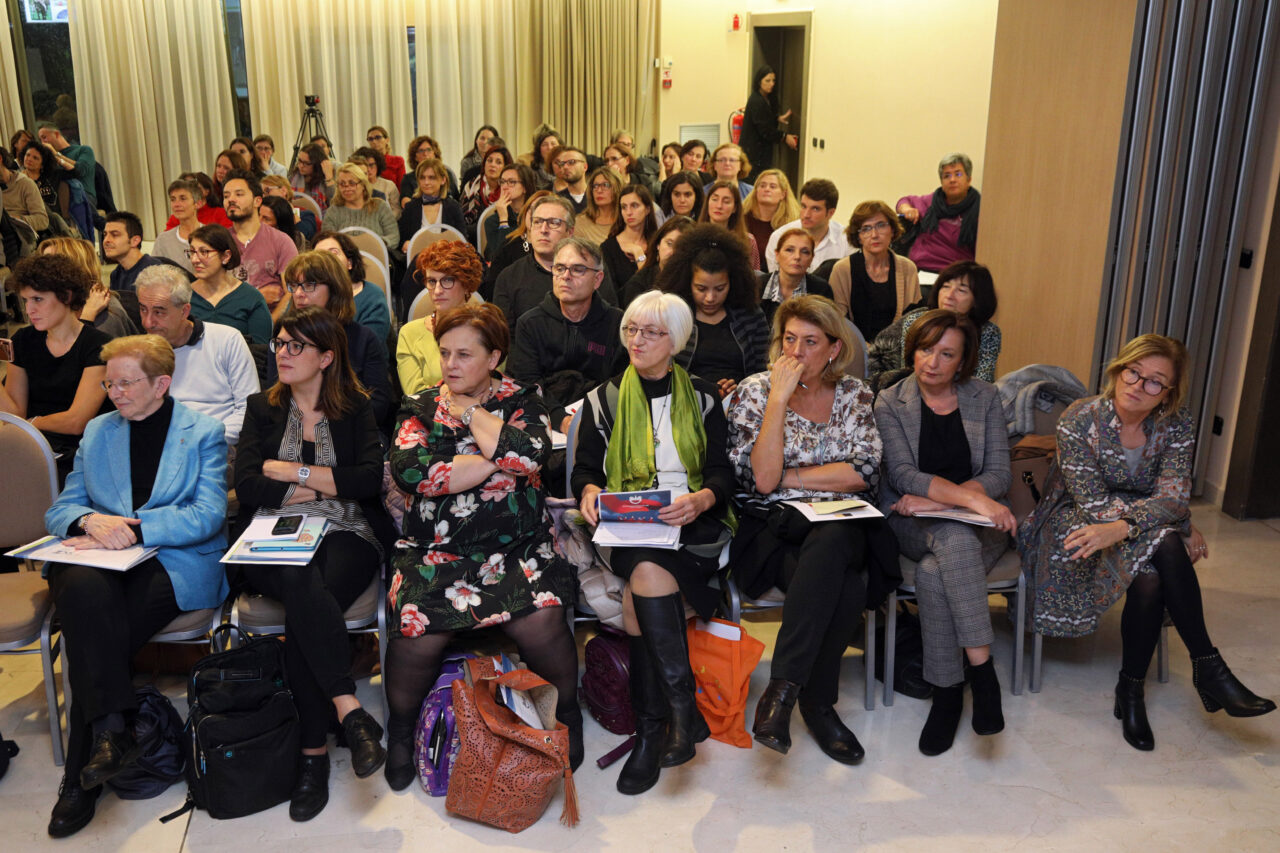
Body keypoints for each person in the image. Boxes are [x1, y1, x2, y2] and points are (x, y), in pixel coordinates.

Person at [1018, 334, 1276, 751]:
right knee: (1167, 541)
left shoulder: (1177, 423)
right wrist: (1171, 521)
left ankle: (1132, 689)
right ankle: (1207, 669)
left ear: (1168, 393)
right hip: (1071, 522)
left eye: (1155, 381)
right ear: (1118, 370)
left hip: (1131, 526)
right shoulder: (1079, 418)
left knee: (1153, 575)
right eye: (1133, 372)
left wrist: (1154, 520)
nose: (1139, 385)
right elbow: (1094, 503)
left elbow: (1174, 495)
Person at [385, 301, 582, 788]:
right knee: (418, 628)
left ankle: (568, 713)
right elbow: (415, 473)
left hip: (517, 546)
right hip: (435, 550)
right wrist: (497, 457)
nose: (450, 365)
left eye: (463, 355)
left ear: (494, 358)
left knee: (543, 617)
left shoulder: (524, 398)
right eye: (445, 353)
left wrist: (471, 416)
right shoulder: (419, 404)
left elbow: (534, 453)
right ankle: (402, 728)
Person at [42, 334, 229, 838]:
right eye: (109, 382)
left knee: (88, 636)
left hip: (172, 561)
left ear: (161, 384)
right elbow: (61, 508)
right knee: (81, 591)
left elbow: (209, 515)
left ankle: (82, 776)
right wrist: (89, 521)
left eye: (125, 383)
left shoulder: (202, 431)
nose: (114, 392)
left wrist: (134, 528)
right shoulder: (99, 431)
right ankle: (109, 735)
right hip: (98, 564)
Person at [572, 290, 736, 795]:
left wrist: (702, 499)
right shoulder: (604, 398)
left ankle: (654, 729)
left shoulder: (704, 396)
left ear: (676, 342)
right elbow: (582, 469)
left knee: (637, 599)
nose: (637, 340)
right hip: (628, 522)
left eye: (651, 332)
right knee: (645, 564)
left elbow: (722, 475)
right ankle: (679, 715)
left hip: (690, 522)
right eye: (632, 330)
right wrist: (592, 491)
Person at [233, 307, 392, 820]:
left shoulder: (355, 409)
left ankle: (313, 759)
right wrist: (324, 479)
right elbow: (249, 486)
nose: (282, 352)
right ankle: (348, 711)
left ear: (326, 357)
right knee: (301, 577)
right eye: (279, 343)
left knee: (306, 601)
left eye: (295, 346)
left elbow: (367, 481)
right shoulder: (262, 408)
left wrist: (294, 472)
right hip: (267, 535)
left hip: (345, 531)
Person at [727, 294, 894, 766]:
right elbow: (759, 480)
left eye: (810, 342)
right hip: (773, 528)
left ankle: (781, 693)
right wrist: (779, 400)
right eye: (789, 340)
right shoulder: (756, 392)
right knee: (846, 582)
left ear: (834, 350)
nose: (796, 352)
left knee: (837, 538)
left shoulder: (857, 395)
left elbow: (863, 471)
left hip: (843, 522)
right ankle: (817, 705)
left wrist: (791, 478)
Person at [874, 309, 1015, 755]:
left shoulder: (985, 397)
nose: (931, 361)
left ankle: (948, 692)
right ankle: (983, 674)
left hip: (979, 524)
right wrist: (969, 499)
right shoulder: (889, 401)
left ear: (964, 361)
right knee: (950, 542)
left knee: (937, 573)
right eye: (924, 348)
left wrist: (950, 502)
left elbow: (998, 473)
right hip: (912, 521)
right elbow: (902, 475)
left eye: (946, 353)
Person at [0, 254, 110, 476]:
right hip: (34, 443)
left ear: (66, 296)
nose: (29, 309)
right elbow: (14, 414)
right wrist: (28, 425)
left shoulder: (98, 345)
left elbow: (76, 421)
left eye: (38, 299)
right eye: (26, 300)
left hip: (82, 451)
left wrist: (31, 423)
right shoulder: (23, 340)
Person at [509, 237, 627, 436]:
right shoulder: (530, 323)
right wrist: (561, 420)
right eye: (560, 268)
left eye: (577, 269)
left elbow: (621, 381)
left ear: (597, 279)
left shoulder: (618, 323)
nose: (566, 276)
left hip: (602, 419)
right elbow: (527, 383)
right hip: (544, 420)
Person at [135, 265, 258, 448]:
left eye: (159, 312)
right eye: (143, 310)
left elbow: (249, 410)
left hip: (218, 444)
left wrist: (201, 441)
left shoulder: (226, 340)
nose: (148, 322)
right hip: (161, 446)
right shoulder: (137, 352)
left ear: (184, 311)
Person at [269, 250, 393, 426]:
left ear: (334, 288)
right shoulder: (282, 336)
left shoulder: (363, 338)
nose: (298, 293)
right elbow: (275, 396)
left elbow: (378, 405)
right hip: (294, 428)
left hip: (352, 430)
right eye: (294, 285)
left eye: (309, 285)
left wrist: (326, 424)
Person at [659, 224, 769, 399]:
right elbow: (661, 371)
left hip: (742, 402)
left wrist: (741, 389)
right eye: (701, 289)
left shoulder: (750, 316)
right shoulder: (672, 316)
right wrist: (706, 390)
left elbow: (762, 372)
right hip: (685, 402)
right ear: (687, 282)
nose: (710, 298)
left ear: (732, 283)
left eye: (720, 288)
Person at [492, 195, 618, 331]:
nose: (543, 229)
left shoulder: (591, 270)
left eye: (554, 223)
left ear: (570, 232)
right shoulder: (509, 277)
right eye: (538, 222)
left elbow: (609, 324)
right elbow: (505, 337)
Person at [868, 260, 1002, 384]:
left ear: (977, 300)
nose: (949, 296)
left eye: (961, 290)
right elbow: (911, 373)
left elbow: (982, 381)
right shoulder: (917, 321)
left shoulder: (988, 332)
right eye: (945, 286)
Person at [825, 200, 922, 341]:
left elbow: (911, 322)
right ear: (858, 236)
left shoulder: (908, 269)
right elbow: (839, 323)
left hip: (896, 350)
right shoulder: (842, 269)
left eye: (881, 226)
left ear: (892, 230)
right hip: (854, 349)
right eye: (866, 229)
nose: (874, 234)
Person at [396, 240, 482, 395]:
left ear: (466, 283)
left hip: (483, 414)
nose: (437, 291)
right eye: (431, 281)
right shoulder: (409, 333)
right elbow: (416, 396)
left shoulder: (487, 329)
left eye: (447, 280)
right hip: (428, 417)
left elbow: (490, 387)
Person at [223, 169, 299, 315]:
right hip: (229, 323)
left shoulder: (281, 241)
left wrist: (269, 325)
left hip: (271, 322)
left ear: (257, 201)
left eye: (239, 194)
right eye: (226, 196)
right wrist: (257, 297)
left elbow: (292, 293)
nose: (231, 199)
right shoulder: (219, 242)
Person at [185, 224, 273, 345]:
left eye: (204, 252)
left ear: (226, 256)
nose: (195, 259)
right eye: (192, 252)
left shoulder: (251, 298)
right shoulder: (183, 296)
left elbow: (260, 350)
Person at [38, 236, 136, 340]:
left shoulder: (106, 317)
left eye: (50, 265)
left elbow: (76, 354)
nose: (40, 272)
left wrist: (86, 318)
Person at [896, 153, 981, 272]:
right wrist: (907, 210)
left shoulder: (980, 210)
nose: (952, 180)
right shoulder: (931, 202)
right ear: (941, 181)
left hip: (956, 273)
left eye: (958, 174)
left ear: (969, 179)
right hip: (921, 270)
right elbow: (904, 201)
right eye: (947, 176)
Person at [312, 230, 392, 348]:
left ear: (349, 263)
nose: (327, 260)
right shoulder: (306, 294)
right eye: (319, 257)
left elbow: (369, 347)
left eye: (333, 253)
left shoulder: (372, 296)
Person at [764, 178, 852, 273]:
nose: (806, 215)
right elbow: (775, 282)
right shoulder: (779, 237)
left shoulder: (846, 239)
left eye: (815, 209)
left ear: (830, 213)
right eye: (803, 206)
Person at [480, 189, 551, 301]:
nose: (535, 216)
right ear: (525, 213)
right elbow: (492, 289)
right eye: (531, 209)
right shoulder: (508, 246)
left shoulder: (562, 249)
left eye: (542, 213)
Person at [760, 228, 835, 325]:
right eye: (789, 250)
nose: (797, 257)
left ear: (811, 259)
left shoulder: (821, 290)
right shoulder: (756, 286)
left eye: (805, 252)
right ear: (777, 255)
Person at [620, 214, 696, 309]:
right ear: (658, 245)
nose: (673, 252)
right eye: (669, 243)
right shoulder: (639, 283)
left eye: (682, 247)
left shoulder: (697, 284)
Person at [738, 66, 799, 179]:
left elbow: (763, 119)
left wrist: (776, 118)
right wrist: (785, 136)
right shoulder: (756, 101)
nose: (771, 84)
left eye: (773, 80)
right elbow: (765, 130)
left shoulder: (766, 98)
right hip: (754, 155)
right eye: (767, 80)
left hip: (760, 152)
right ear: (759, 82)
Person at [322, 163, 399, 250]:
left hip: (376, 256)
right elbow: (327, 242)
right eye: (342, 184)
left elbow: (394, 237)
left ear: (363, 185)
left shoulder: (380, 207)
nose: (347, 188)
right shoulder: (333, 212)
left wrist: (375, 244)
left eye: (352, 183)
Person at [398, 158, 466, 253]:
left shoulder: (453, 207)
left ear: (443, 180)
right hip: (417, 258)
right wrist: (405, 243)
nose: (426, 182)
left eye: (432, 178)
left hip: (447, 259)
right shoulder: (410, 207)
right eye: (422, 178)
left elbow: (462, 239)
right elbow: (401, 240)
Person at [742, 169, 800, 272]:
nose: (766, 189)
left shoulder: (791, 224)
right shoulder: (742, 218)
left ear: (783, 194)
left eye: (772, 186)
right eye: (762, 186)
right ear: (756, 191)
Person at [601, 185, 658, 286]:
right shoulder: (608, 248)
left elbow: (656, 286)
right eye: (624, 207)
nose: (628, 212)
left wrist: (639, 254)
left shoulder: (657, 244)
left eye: (634, 206)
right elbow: (610, 294)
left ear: (647, 209)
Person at [699, 179, 761, 270]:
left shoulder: (748, 241)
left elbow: (754, 276)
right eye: (715, 199)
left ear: (735, 208)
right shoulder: (693, 236)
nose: (719, 206)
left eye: (726, 202)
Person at [482, 163, 535, 260]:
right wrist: (503, 220)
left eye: (511, 182)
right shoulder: (492, 221)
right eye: (502, 182)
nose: (505, 187)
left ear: (525, 187)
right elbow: (500, 257)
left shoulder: (536, 218)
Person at [36, 122, 96, 208]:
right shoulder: (48, 157)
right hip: (58, 197)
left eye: (44, 137)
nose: (43, 143)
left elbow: (80, 170)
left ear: (56, 134)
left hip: (83, 195)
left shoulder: (84, 150)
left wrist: (56, 154)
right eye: (40, 140)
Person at [151, 179, 204, 274]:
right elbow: (155, 274)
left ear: (197, 203)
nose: (176, 204)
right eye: (173, 199)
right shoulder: (163, 240)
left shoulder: (212, 235)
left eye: (183, 199)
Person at [102, 211, 164, 292]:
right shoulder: (116, 274)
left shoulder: (154, 272)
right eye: (105, 235)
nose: (106, 240)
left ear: (135, 241)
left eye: (115, 234)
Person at [462, 143, 513, 230]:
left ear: (506, 167)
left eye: (498, 162)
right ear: (484, 164)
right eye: (489, 160)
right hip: (473, 238)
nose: (492, 165)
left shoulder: (510, 189)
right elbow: (462, 221)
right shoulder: (471, 186)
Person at [0, 145, 49, 233]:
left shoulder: (25, 183)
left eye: (35, 157)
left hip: (21, 235)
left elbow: (42, 220)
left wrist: (14, 219)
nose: (30, 159)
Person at [162, 171, 233, 230]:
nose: (189, 190)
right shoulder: (176, 218)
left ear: (207, 191)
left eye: (194, 187)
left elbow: (227, 240)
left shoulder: (220, 214)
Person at [261, 174, 320, 242]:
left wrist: (291, 211)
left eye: (267, 191)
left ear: (283, 191)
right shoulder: (260, 214)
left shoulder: (305, 215)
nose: (263, 196)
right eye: (262, 193)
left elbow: (304, 236)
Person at [403, 134, 459, 201]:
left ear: (435, 153)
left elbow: (456, 198)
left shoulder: (447, 173)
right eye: (421, 151)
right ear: (415, 157)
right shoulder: (408, 178)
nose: (425, 154)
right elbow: (405, 201)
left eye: (429, 150)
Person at [575, 166, 621, 245]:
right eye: (595, 186)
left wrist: (641, 257)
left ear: (617, 188)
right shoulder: (581, 222)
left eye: (605, 185)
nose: (599, 190)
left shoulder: (627, 220)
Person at [352, 146, 401, 217]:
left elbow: (397, 210)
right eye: (365, 165)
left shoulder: (388, 185)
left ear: (378, 164)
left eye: (371, 165)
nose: (368, 169)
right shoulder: (353, 186)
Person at [289, 142, 335, 212]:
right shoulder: (293, 178)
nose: (301, 166)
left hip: (322, 219)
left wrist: (329, 178)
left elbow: (335, 203)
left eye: (306, 163)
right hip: (297, 218)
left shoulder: (326, 179)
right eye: (300, 161)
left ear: (317, 164)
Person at [19, 140, 62, 213]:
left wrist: (58, 158)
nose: (29, 159)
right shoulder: (18, 179)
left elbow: (75, 172)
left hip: (53, 216)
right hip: (34, 217)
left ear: (42, 165)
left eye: (35, 158)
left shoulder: (50, 176)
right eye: (28, 155)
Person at [552, 146, 590, 213]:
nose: (565, 167)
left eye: (571, 162)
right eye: (562, 164)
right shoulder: (557, 199)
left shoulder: (596, 196)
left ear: (585, 167)